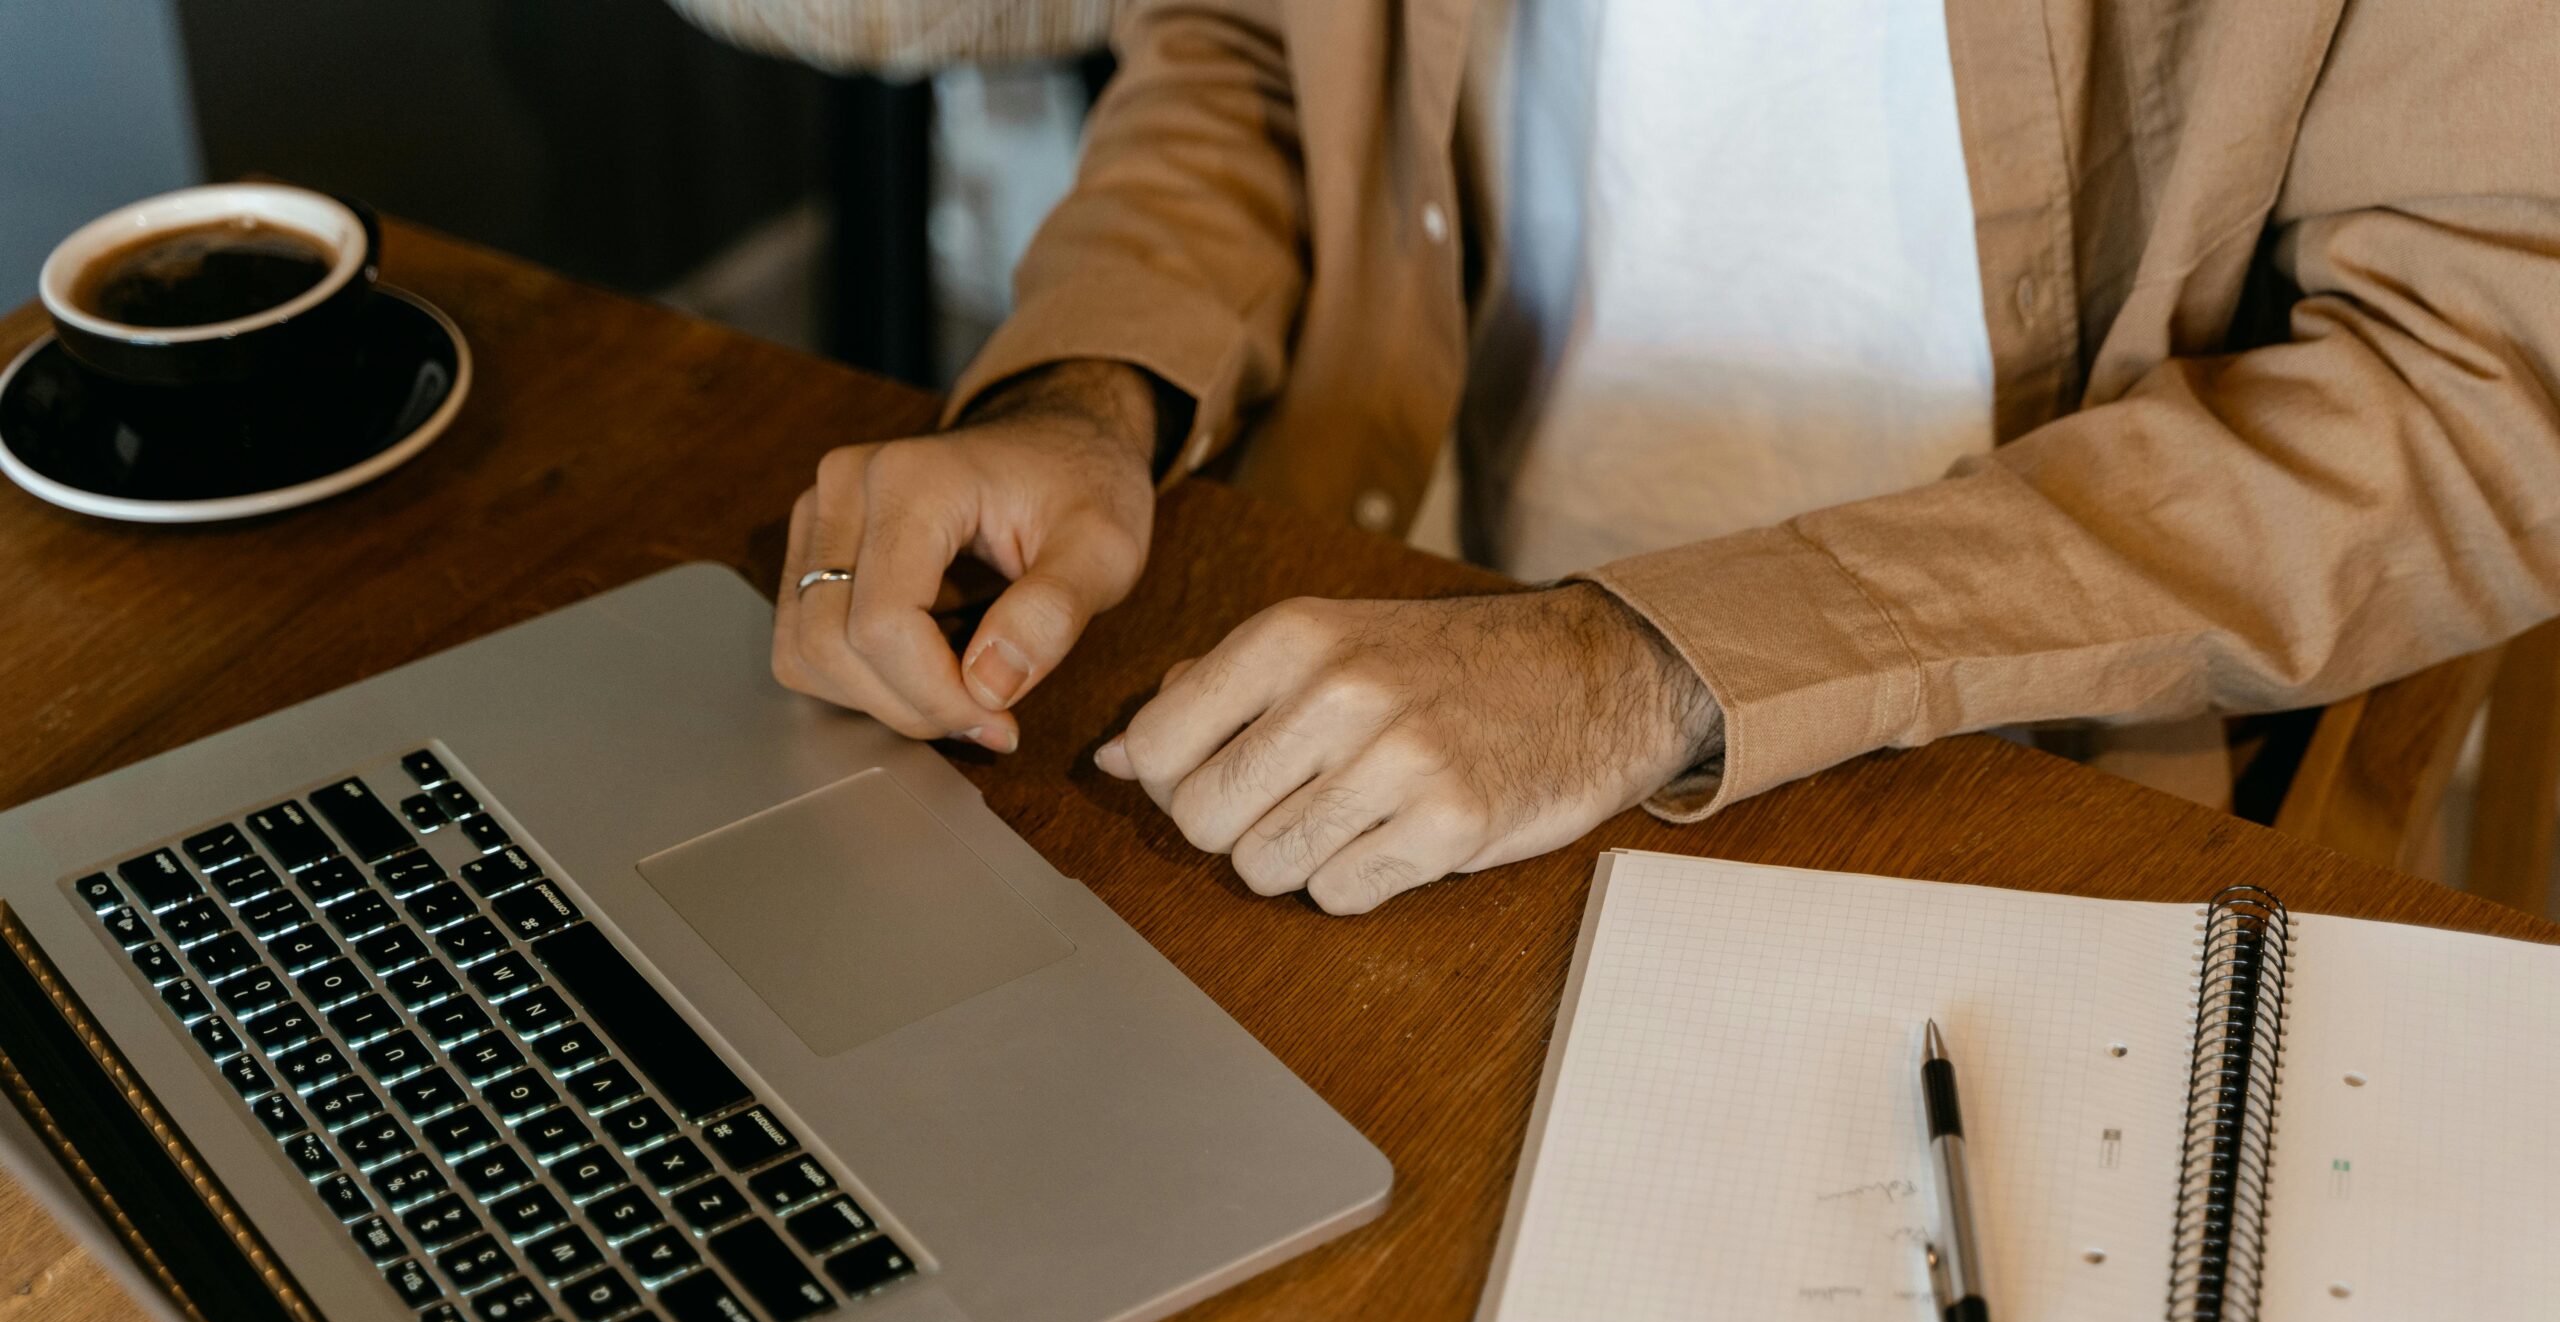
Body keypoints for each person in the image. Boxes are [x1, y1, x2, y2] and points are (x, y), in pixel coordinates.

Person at [771, 0, 2560, 914]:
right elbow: (1254, 43)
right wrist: (1090, 392)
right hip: (1366, 624)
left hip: (2007, 750)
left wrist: (1633, 663)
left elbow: (2477, 386)